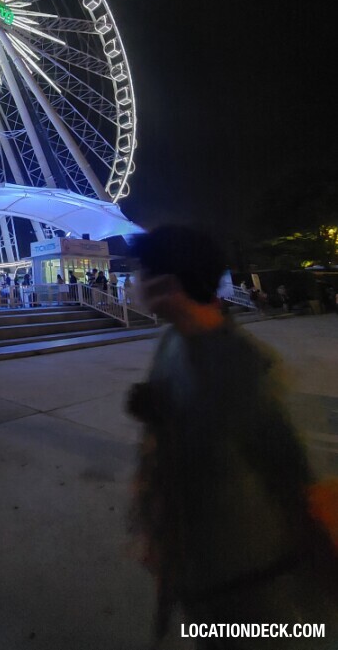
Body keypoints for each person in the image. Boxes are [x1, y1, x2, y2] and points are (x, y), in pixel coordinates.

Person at [126, 225, 338, 648]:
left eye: (142, 273)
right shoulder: (173, 342)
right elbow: (162, 441)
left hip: (253, 584)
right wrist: (153, 526)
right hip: (197, 574)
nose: (134, 283)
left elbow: (296, 477)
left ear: (168, 285)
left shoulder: (243, 370)